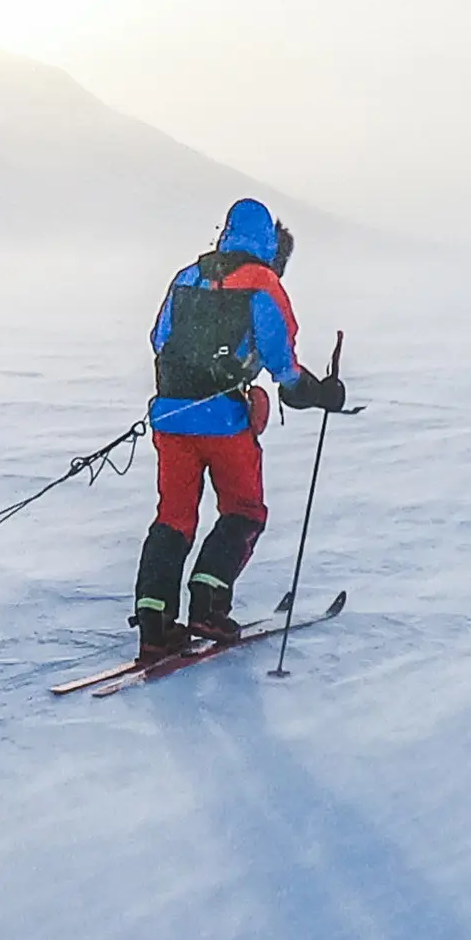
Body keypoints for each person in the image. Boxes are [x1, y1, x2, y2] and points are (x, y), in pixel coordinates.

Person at [134, 198, 348, 661]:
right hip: (225, 422)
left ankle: (154, 623)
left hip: (170, 419)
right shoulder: (263, 284)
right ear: (269, 243)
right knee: (244, 511)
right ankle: (208, 606)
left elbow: (159, 339)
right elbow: (283, 366)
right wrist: (320, 393)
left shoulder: (187, 277)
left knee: (173, 517)